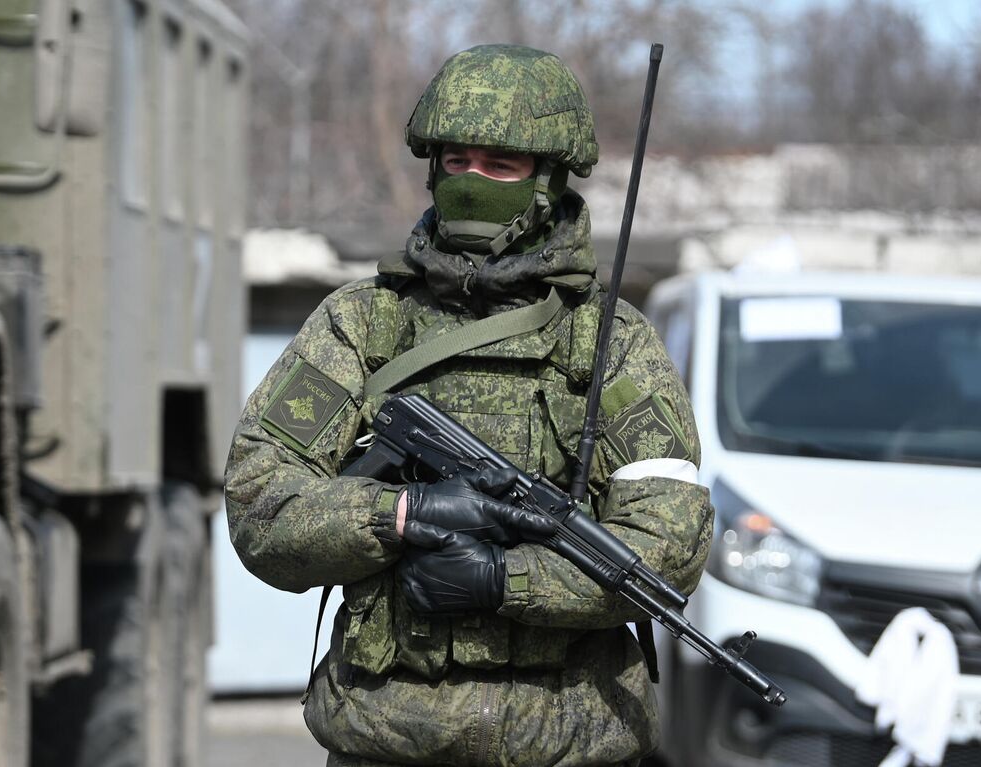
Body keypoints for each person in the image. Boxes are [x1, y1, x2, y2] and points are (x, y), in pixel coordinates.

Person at [223, 44, 712, 766]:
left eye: (501, 166)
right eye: (457, 163)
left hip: (571, 745)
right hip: (387, 739)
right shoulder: (365, 324)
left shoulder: (609, 344)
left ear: (547, 180)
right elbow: (260, 503)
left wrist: (501, 579)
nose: (473, 182)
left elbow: (663, 550)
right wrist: (401, 514)